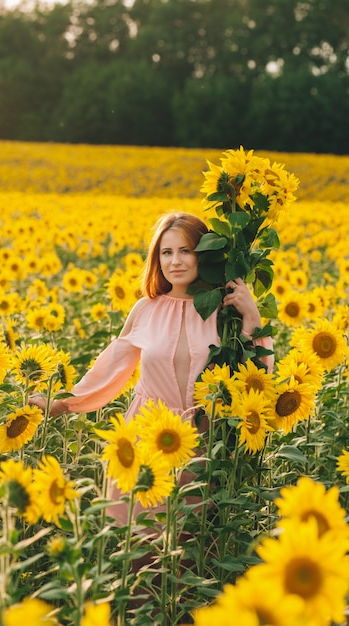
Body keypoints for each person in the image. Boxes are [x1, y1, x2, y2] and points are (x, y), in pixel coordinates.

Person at [29, 212, 273, 523]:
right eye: (166, 252)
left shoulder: (223, 312)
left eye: (186, 251)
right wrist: (62, 403)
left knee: (194, 547)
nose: (176, 262)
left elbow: (256, 376)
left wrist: (252, 319)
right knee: (141, 541)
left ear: (205, 254)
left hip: (206, 442)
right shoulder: (146, 308)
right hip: (147, 437)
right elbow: (112, 367)